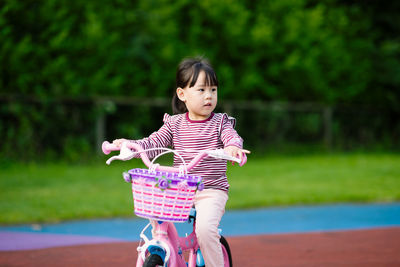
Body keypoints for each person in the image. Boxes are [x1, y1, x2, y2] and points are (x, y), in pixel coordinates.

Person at [113, 57, 249, 267]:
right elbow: (153, 142)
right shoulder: (175, 124)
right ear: (182, 94)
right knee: (156, 215)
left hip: (211, 190)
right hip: (180, 189)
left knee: (204, 230)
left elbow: (231, 136)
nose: (209, 96)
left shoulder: (220, 122)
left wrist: (232, 147)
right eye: (201, 90)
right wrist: (131, 145)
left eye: (213, 90)